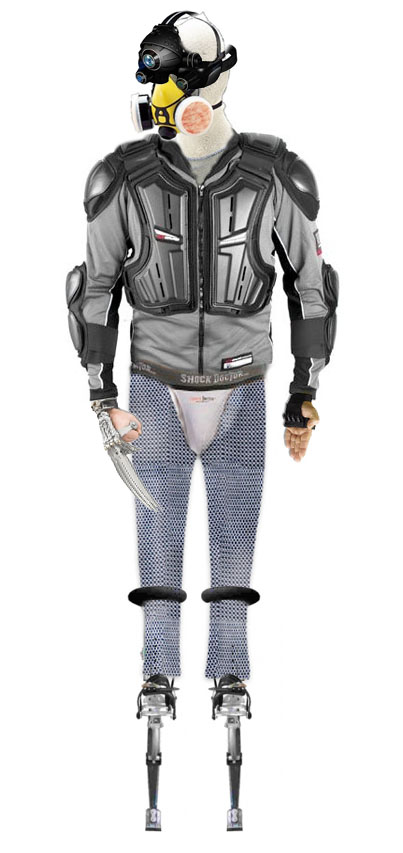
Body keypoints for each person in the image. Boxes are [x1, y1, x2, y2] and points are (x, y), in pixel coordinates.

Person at [66, 11, 338, 831]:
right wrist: (99, 389)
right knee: (155, 551)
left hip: (243, 383)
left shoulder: (273, 176)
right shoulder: (122, 178)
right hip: (151, 383)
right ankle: (155, 673)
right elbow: (93, 287)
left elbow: (313, 286)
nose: (156, 96)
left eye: (168, 77)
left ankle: (231, 672)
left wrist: (304, 389)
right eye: (151, 79)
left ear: (211, 81)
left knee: (231, 553)